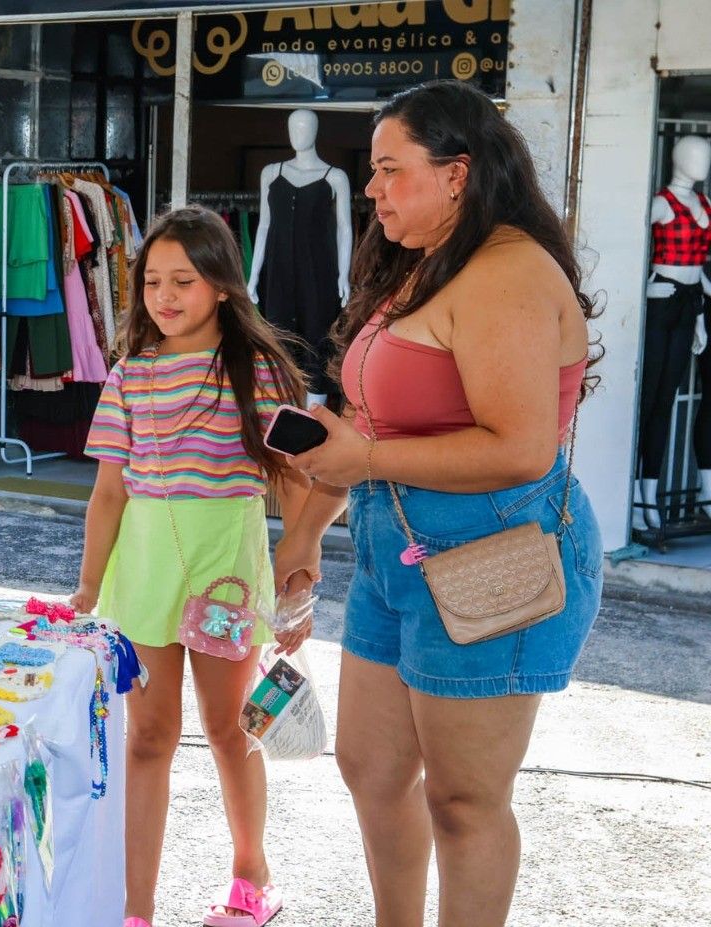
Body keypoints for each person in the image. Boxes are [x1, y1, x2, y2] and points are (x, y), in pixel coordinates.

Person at [275, 80, 603, 927]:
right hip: (400, 546)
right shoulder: (424, 266)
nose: (373, 189)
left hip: (494, 547)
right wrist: (306, 535)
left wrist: (366, 458)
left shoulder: (506, 272)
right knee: (372, 767)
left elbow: (520, 447)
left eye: (390, 170)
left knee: (465, 800)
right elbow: (363, 420)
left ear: (457, 174)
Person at [68, 206, 314, 927]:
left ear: (223, 287)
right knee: (146, 737)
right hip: (142, 573)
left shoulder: (260, 372)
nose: (165, 296)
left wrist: (300, 577)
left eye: (184, 279)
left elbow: (295, 480)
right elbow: (109, 492)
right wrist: (88, 584)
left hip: (225, 574)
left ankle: (251, 875)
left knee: (232, 725)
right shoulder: (130, 376)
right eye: (152, 282)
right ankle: (134, 907)